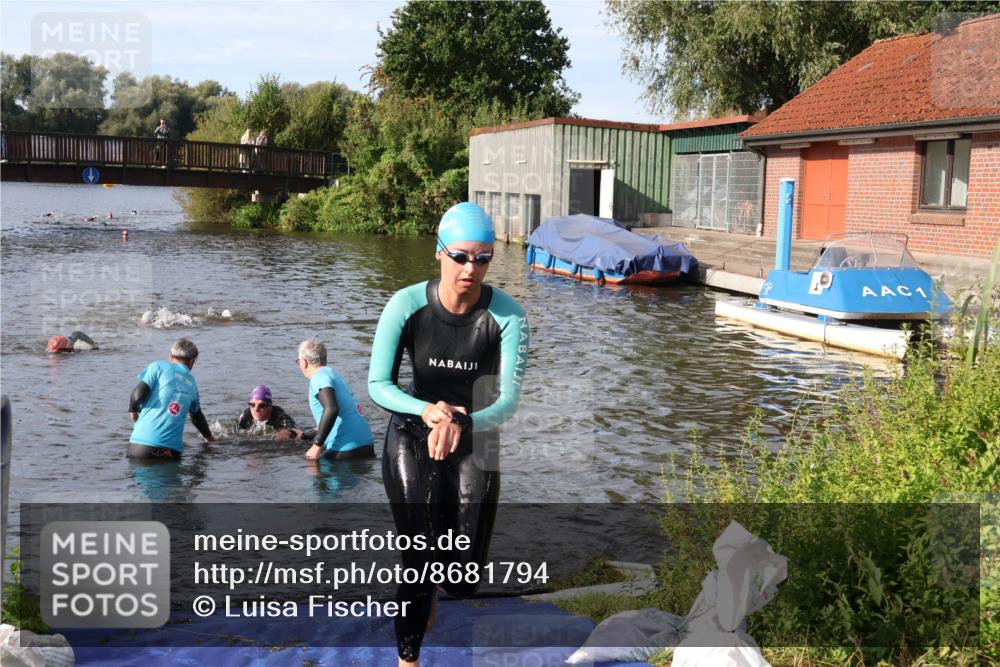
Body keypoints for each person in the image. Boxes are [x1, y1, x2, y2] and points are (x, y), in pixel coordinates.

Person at [368, 201, 530, 667]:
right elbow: (378, 385)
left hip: (475, 432)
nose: (470, 268)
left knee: (463, 580)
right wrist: (428, 411)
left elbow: (508, 402)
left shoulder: (509, 317)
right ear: (439, 252)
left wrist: (462, 420)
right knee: (419, 560)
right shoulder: (406, 305)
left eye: (483, 258)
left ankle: (438, 587)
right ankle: (408, 660)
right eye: (460, 256)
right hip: (412, 431)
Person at [128, 338, 214, 460]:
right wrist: (208, 437)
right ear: (192, 361)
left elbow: (137, 395)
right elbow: (197, 416)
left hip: (138, 446)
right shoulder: (192, 384)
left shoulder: (157, 367)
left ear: (170, 356)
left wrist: (133, 412)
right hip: (170, 451)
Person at [296, 339, 375, 460]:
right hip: (366, 445)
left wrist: (317, 444)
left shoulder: (318, 377)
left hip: (346, 449)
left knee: (309, 463)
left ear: (304, 362)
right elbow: (338, 417)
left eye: (298, 361)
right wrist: (305, 435)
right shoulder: (333, 374)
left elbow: (331, 409)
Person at [234, 384, 301, 441]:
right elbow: (234, 433)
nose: (256, 409)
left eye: (261, 405)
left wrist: (288, 432)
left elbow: (297, 431)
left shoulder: (278, 415)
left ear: (270, 406)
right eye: (252, 405)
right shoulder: (245, 415)